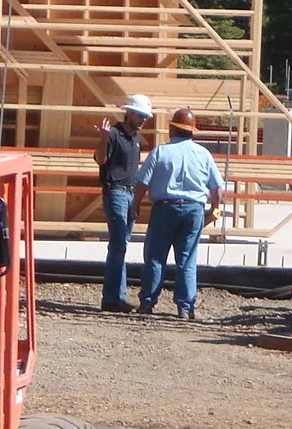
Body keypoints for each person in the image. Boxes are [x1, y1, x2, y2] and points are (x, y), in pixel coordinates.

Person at [133, 106, 224, 318]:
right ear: (192, 131)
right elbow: (217, 189)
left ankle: (147, 302)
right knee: (187, 259)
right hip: (194, 210)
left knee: (155, 257)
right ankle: (185, 307)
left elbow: (141, 183)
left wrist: (135, 204)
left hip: (165, 208)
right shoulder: (204, 154)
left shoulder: (160, 152)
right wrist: (216, 208)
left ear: (172, 129)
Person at [93, 94, 152, 312]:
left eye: (145, 116)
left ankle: (117, 296)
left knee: (121, 245)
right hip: (116, 192)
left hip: (128, 193)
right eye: (140, 115)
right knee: (119, 245)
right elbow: (100, 160)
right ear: (128, 112)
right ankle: (112, 298)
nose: (143, 119)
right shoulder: (113, 135)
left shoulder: (135, 138)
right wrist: (102, 138)